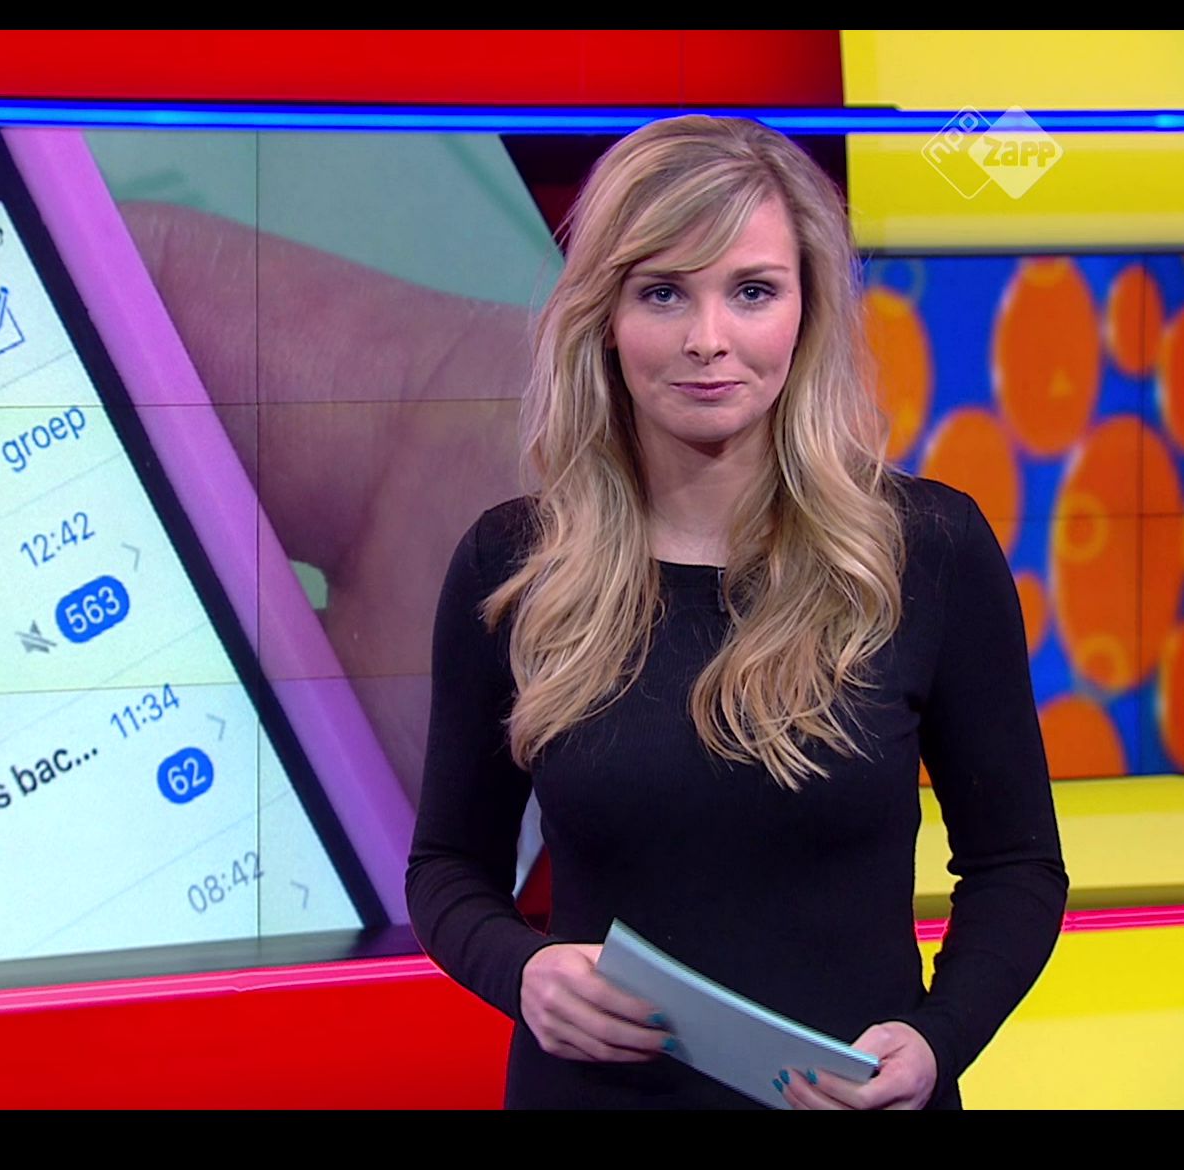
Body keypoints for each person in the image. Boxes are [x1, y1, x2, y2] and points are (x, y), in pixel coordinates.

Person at [404, 115, 1068, 1110]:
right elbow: (448, 866)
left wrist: (938, 1044)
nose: (707, 339)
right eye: (663, 291)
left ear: (807, 310)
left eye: (752, 291)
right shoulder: (514, 565)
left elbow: (1017, 866)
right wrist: (522, 970)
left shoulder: (927, 552)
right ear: (604, 315)